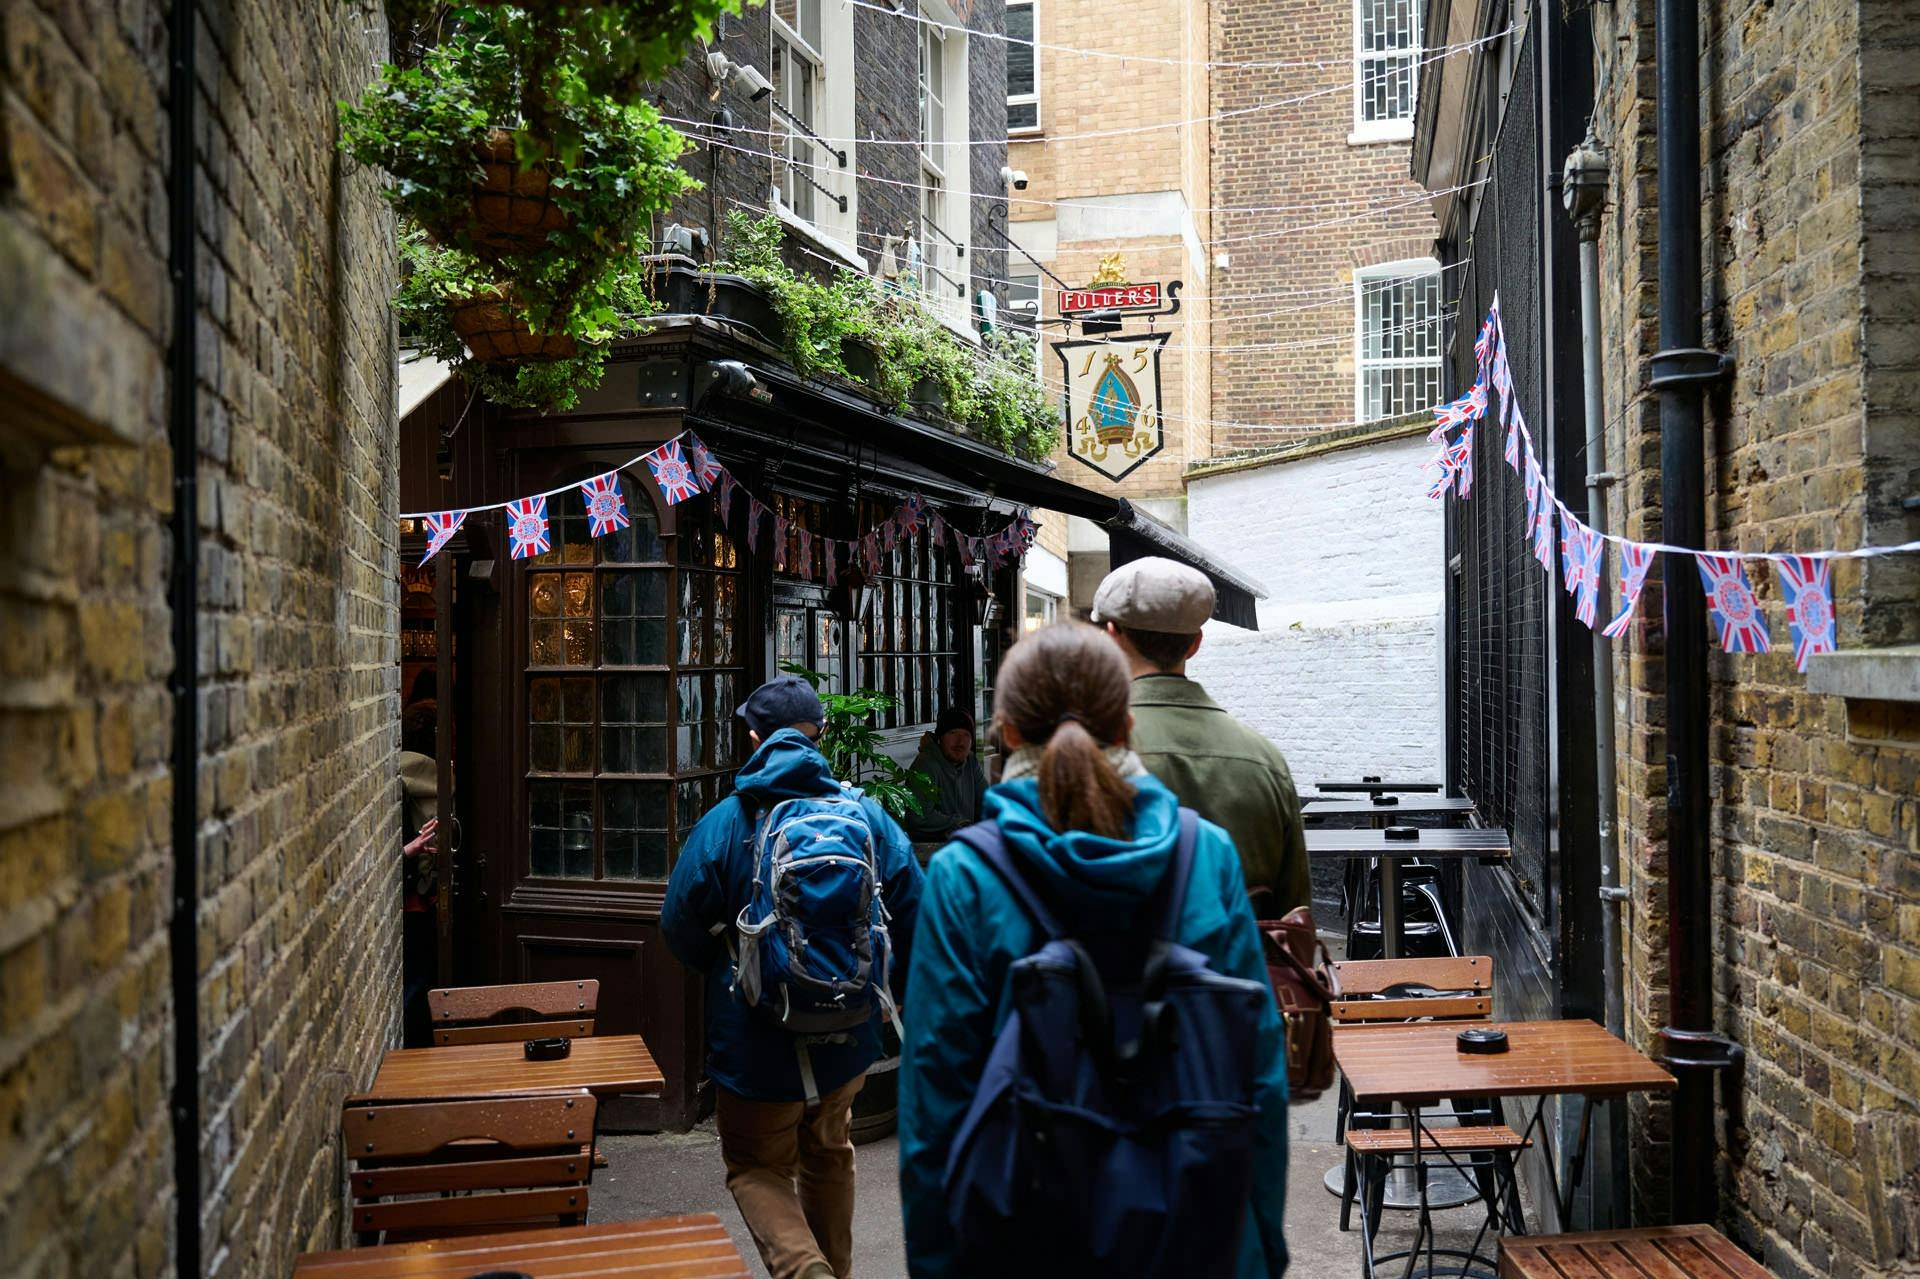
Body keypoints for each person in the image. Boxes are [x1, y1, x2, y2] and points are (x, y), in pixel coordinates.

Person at [897, 623, 1290, 1277]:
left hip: (1025, 1241)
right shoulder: (1206, 856)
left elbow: (936, 1103)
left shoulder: (965, 875)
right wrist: (1260, 1249)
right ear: (1127, 725)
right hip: (1199, 1237)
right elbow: (1260, 1072)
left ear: (1009, 732)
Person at [662, 674, 925, 1279]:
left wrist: (737, 963)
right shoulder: (867, 817)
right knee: (830, 1152)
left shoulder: (726, 823)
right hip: (847, 1037)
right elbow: (916, 914)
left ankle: (807, 1272)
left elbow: (678, 927)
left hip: (754, 1043)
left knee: (757, 1167)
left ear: (754, 737)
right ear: (822, 734)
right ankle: (834, 1268)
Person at [1093, 556, 1311, 914]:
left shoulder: (1079, 753)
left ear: (1113, 636)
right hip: (1243, 968)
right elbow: (1295, 916)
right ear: (1195, 643)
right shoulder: (1265, 760)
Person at [397, 700, 441, 1046]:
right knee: (417, 985)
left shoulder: (396, 773)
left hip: (403, 902)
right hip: (415, 901)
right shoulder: (432, 776)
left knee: (414, 983)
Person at [903, 705, 989, 843]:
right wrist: (959, 824)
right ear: (940, 738)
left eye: (966, 735)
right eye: (953, 733)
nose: (960, 741)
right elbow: (918, 815)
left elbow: (986, 801)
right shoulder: (927, 764)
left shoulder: (970, 761)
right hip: (930, 847)